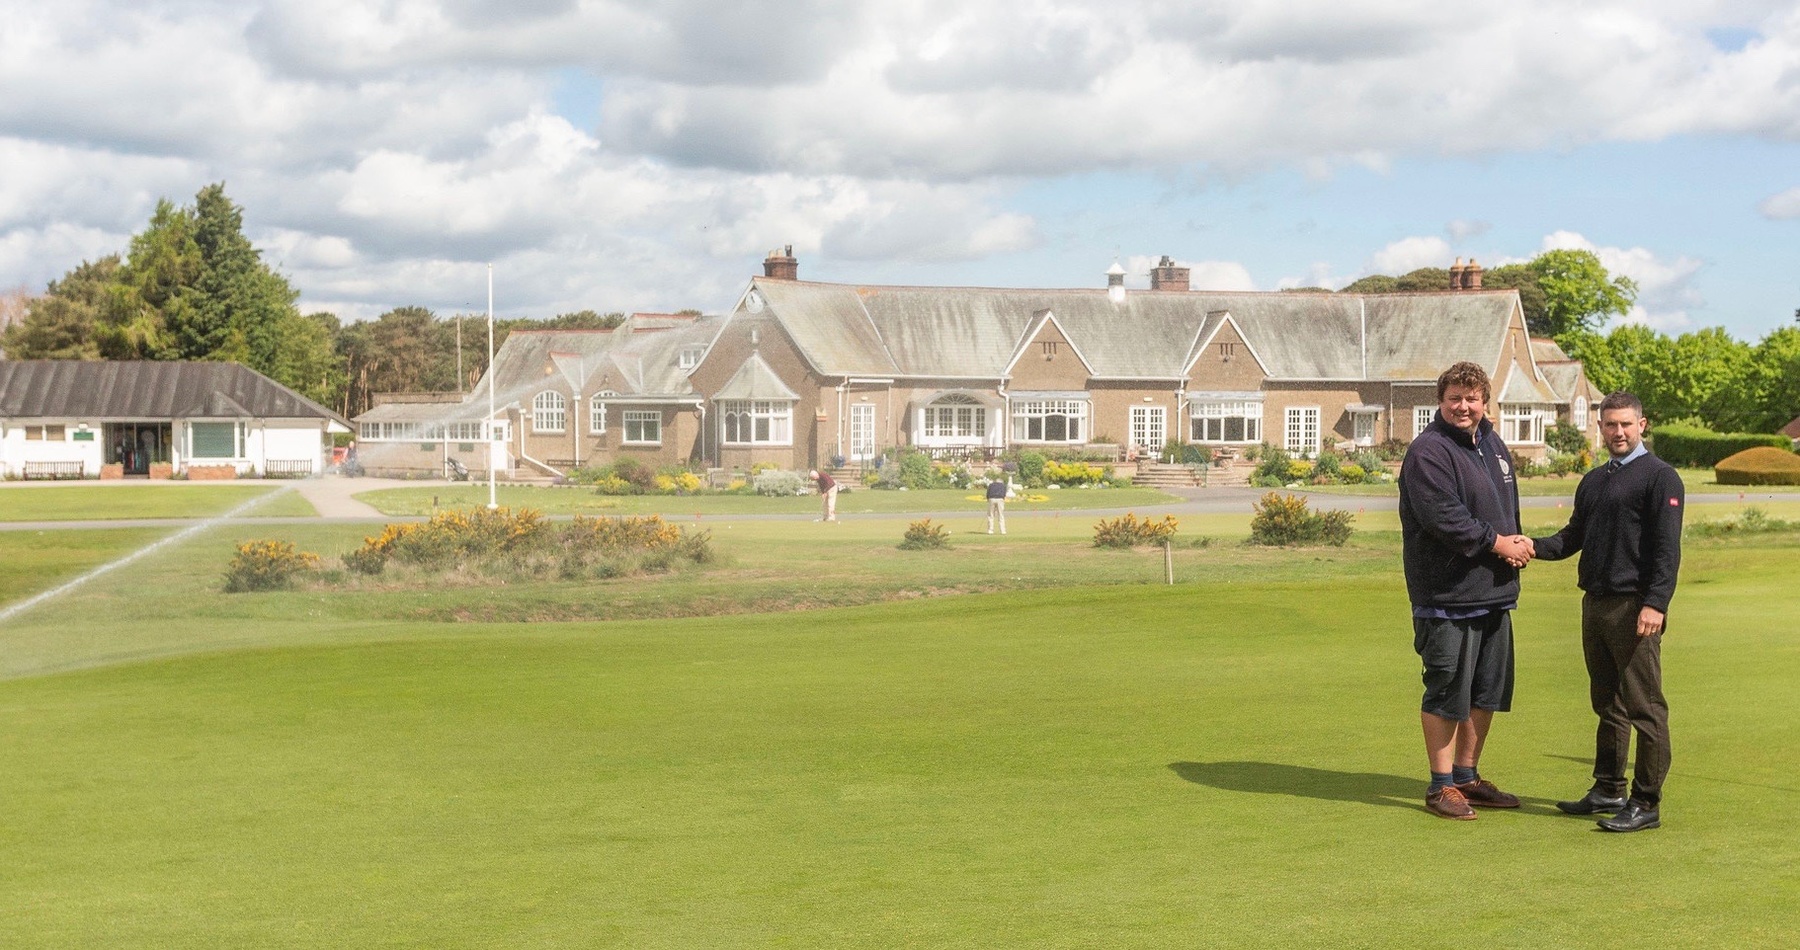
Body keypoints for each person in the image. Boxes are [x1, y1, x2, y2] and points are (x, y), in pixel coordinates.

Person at [1531, 392, 1683, 833]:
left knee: (1645, 708)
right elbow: (1571, 536)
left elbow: (1666, 550)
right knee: (1607, 704)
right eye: (1610, 425)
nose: (1618, 432)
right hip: (1595, 604)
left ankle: (1646, 802)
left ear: (1642, 425)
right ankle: (1608, 788)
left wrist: (1656, 603)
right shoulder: (1594, 481)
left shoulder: (1661, 478)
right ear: (1600, 427)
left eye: (1626, 425)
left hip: (1635, 606)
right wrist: (1529, 547)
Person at [1398, 361, 1533, 820]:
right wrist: (1498, 543)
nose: (1463, 406)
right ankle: (1440, 787)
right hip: (1446, 596)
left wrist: (1513, 545)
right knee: (1446, 691)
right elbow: (1444, 519)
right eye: (1454, 397)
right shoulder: (1428, 452)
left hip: (1493, 592)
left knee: (1485, 691)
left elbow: (1504, 508)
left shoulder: (1493, 444)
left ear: (1484, 401)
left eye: (1471, 398)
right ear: (1441, 401)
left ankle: (1467, 777)